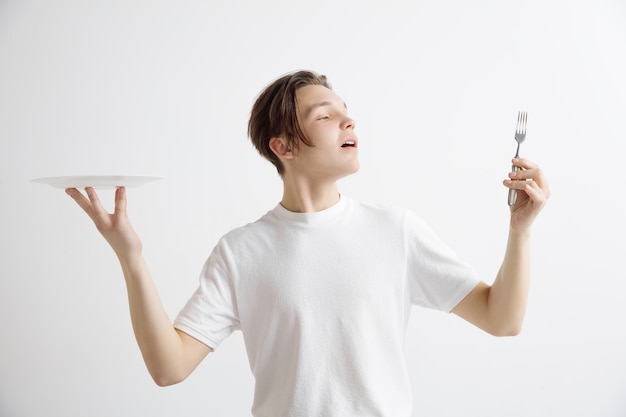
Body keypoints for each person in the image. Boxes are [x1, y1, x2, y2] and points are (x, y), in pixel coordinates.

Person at [65, 70, 550, 417]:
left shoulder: (395, 231)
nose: (348, 122)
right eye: (326, 115)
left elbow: (501, 319)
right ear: (284, 146)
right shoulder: (240, 253)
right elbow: (168, 369)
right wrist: (130, 257)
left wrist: (520, 231)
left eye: (348, 113)